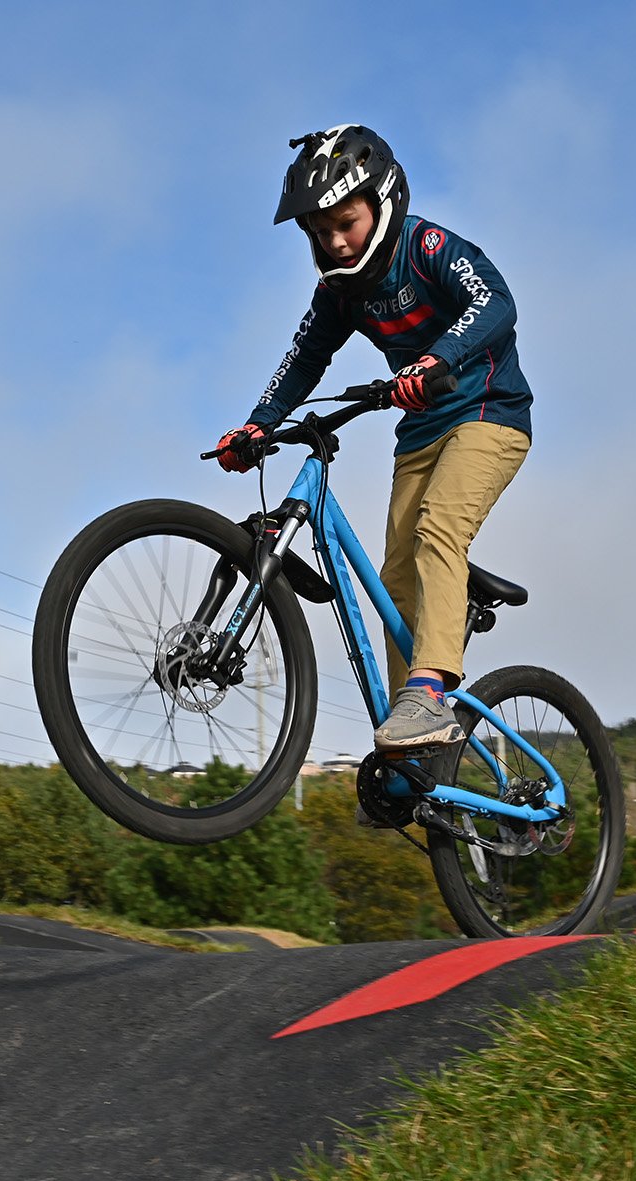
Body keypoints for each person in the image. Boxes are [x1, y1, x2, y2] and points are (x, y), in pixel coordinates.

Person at [217, 124, 533, 762]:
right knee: (394, 578)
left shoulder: (428, 246)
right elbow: (304, 360)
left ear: (382, 202)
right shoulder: (338, 291)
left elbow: (496, 301)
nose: (333, 240)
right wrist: (258, 424)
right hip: (419, 431)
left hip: (489, 414)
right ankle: (409, 743)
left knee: (438, 531)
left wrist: (438, 360)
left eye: (345, 222)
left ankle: (430, 687)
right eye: (319, 231)